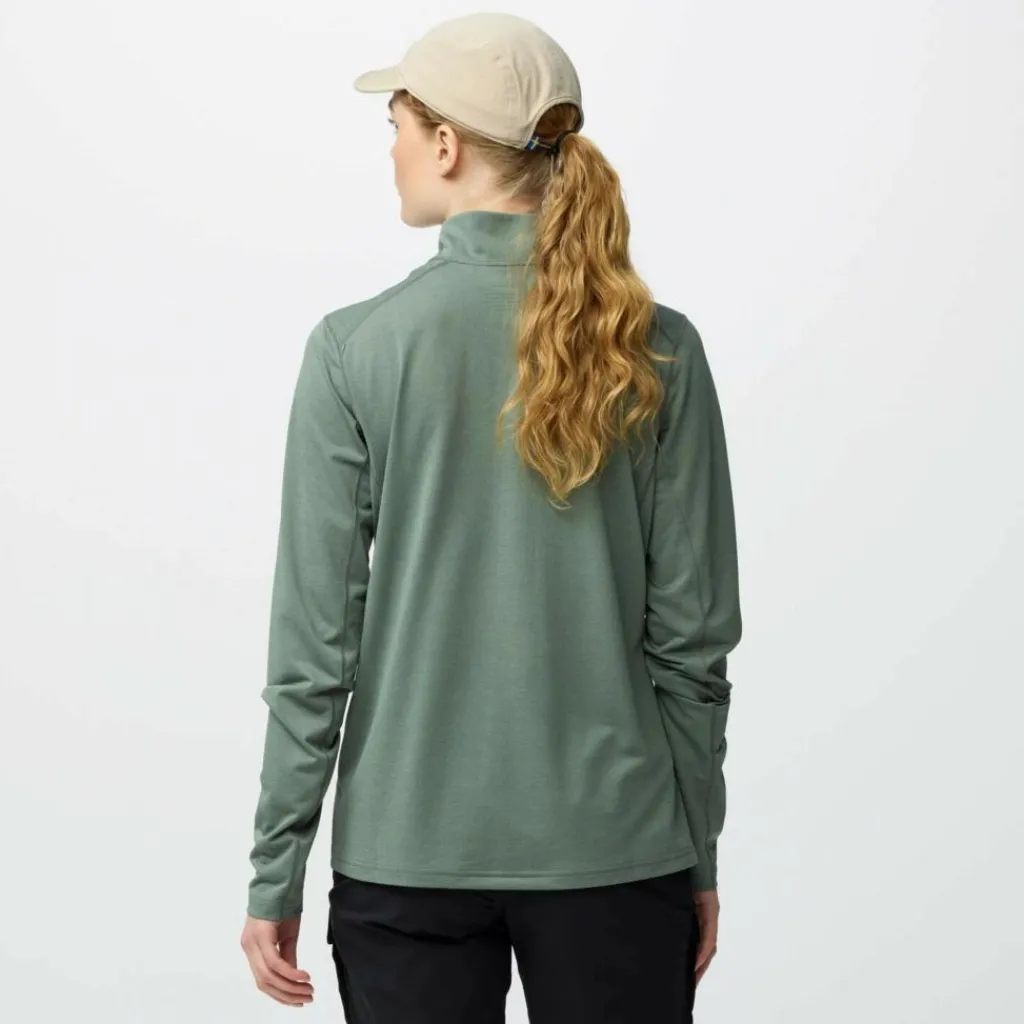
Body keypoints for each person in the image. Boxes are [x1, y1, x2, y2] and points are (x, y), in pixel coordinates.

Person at [239, 12, 742, 1023]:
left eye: (394, 125)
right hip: (619, 853)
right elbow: (692, 645)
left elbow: (314, 654)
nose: (389, 151)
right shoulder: (660, 350)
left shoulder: (354, 351)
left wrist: (275, 870)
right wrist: (695, 851)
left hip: (407, 857)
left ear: (444, 144)